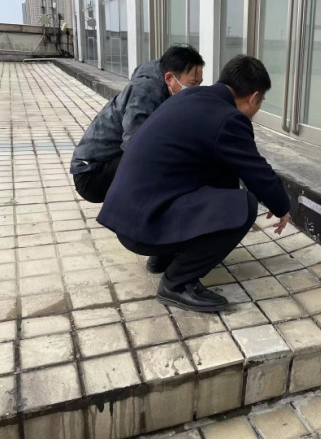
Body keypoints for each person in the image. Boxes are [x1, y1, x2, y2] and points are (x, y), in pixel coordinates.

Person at [97, 55, 291, 312]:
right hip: (144, 226)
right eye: (261, 101)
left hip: (129, 218)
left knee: (221, 176)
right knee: (244, 205)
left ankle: (163, 257)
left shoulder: (188, 99)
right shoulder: (229, 119)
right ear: (254, 97)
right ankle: (177, 284)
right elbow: (256, 171)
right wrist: (281, 206)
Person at [70, 44, 205, 204]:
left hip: (106, 163)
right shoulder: (145, 93)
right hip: (91, 175)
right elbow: (135, 146)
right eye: (192, 84)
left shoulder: (164, 84)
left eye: (199, 84)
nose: (196, 90)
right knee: (157, 161)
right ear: (169, 78)